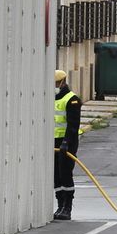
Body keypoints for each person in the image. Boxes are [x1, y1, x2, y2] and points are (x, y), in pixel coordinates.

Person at [53, 69, 82, 221]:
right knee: (56, 175)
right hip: (53, 142)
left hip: (67, 142)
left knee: (65, 174)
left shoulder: (72, 99)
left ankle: (67, 207)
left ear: (63, 82)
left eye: (57, 83)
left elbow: (73, 125)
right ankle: (60, 205)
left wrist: (66, 142)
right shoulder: (51, 98)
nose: (55, 85)